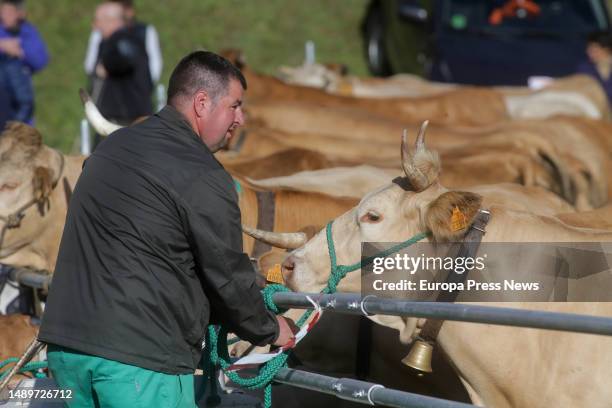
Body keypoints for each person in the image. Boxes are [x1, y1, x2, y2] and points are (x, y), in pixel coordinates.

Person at [38, 50, 297, 407]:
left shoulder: (111, 148)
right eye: (234, 106)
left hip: (67, 351)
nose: (241, 118)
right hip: (139, 362)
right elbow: (224, 275)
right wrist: (270, 328)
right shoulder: (203, 174)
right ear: (202, 103)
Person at [88, 2, 153, 148]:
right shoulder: (126, 38)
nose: (94, 26)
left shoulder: (121, 39)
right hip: (122, 120)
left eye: (97, 21)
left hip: (123, 121)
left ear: (110, 20)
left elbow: (125, 57)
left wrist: (108, 65)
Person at [84, 0, 162, 95]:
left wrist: (108, 65)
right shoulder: (101, 36)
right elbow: (90, 63)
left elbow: (153, 65)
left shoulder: (142, 32)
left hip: (132, 99)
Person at [0, 0, 48, 125]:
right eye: (3, 11)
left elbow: (40, 60)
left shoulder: (27, 32)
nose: (4, 15)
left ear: (20, 14)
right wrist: (3, 46)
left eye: (9, 12)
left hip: (20, 99)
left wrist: (21, 52)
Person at [577, 31, 612, 104]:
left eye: (593, 48)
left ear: (607, 49)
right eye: (588, 48)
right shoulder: (585, 68)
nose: (588, 51)